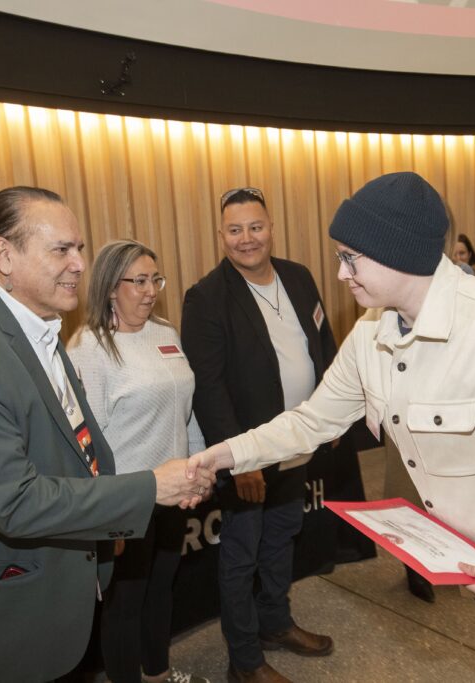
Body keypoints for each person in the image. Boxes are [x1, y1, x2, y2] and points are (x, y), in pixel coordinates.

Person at [191, 173, 475, 683]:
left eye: (349, 257)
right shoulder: (372, 329)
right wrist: (219, 456)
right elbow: (312, 420)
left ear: (397, 253)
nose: (340, 275)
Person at [0, 187, 213, 683]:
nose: (80, 264)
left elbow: (76, 441)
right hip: (1, 605)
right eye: (61, 250)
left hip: (55, 577)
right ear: (5, 254)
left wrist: (109, 524)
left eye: (79, 248)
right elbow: (13, 500)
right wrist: (148, 489)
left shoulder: (37, 325)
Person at [181, 187, 337, 683]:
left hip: (298, 445)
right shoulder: (206, 297)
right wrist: (241, 461)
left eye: (255, 227)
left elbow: (324, 346)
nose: (246, 239)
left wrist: (332, 416)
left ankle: (275, 623)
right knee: (242, 554)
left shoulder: (298, 277)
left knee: (281, 540)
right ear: (221, 235)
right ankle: (244, 661)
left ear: (271, 227)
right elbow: (208, 387)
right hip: (249, 453)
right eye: (235, 230)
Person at [67, 240, 209, 683]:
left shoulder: (165, 333)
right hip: (128, 500)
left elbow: (183, 408)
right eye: (140, 281)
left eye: (155, 279)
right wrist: (107, 514)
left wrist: (198, 469)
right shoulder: (89, 347)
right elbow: (86, 443)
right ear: (111, 288)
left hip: (173, 492)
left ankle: (159, 675)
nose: (151, 291)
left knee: (161, 589)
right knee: (125, 604)